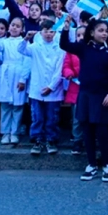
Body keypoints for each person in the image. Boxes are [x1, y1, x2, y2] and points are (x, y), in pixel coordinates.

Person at [59, 16, 108, 182]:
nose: (104, 33)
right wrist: (65, 29)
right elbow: (64, 45)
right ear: (92, 32)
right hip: (85, 95)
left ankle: (107, 164)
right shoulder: (84, 48)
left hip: (103, 97)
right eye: (100, 30)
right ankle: (91, 164)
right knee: (87, 131)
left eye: (106, 31)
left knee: (103, 133)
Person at [19, 19, 65, 155]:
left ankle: (51, 139)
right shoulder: (35, 47)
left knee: (52, 117)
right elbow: (21, 50)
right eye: (46, 31)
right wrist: (26, 38)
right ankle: (37, 139)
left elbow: (59, 70)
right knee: (37, 117)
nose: (49, 34)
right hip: (36, 89)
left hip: (53, 90)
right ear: (41, 32)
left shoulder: (60, 49)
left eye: (52, 31)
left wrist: (51, 87)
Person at [0, 17, 29, 146]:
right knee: (5, 106)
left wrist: (22, 79)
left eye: (18, 26)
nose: (14, 28)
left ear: (22, 29)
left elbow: (27, 62)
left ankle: (15, 132)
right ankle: (5, 132)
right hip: (6, 73)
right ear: (9, 27)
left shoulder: (24, 43)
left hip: (18, 73)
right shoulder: (4, 42)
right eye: (13, 25)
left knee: (17, 106)